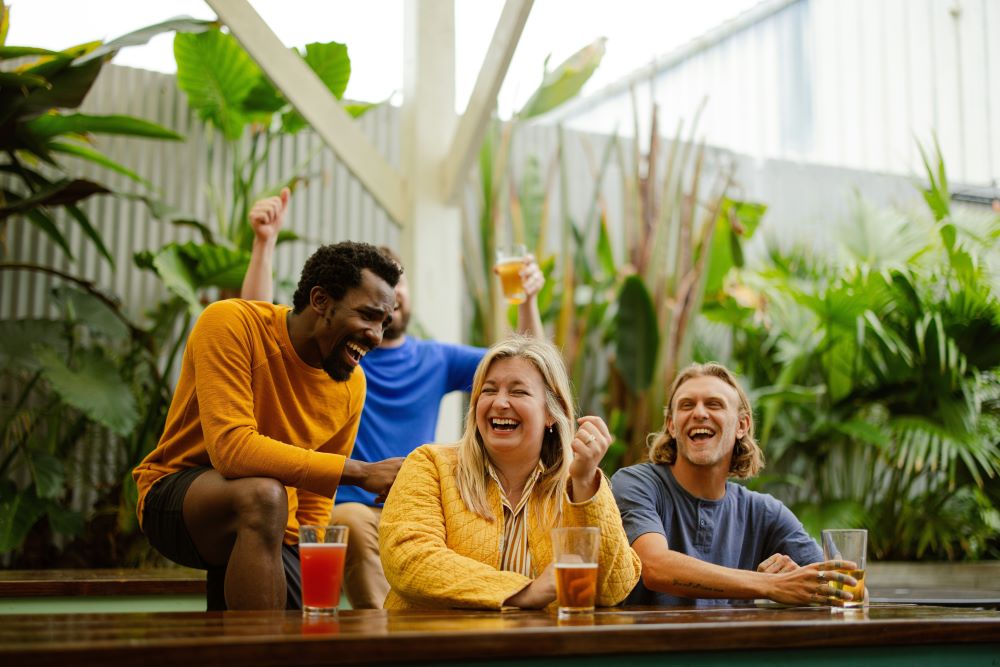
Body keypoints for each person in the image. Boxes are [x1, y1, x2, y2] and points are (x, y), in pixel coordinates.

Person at [241, 188, 546, 608]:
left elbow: (524, 368)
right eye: (374, 301)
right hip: (347, 507)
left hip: (417, 507)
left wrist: (527, 301)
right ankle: (388, 638)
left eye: (399, 284)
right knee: (351, 523)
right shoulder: (334, 357)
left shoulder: (435, 357)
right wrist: (264, 243)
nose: (393, 296)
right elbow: (259, 327)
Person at [133, 240, 405, 611]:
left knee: (307, 624)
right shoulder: (231, 323)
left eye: (384, 322)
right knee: (262, 494)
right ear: (321, 300)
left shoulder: (352, 383)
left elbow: (314, 498)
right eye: (368, 316)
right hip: (177, 499)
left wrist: (309, 574)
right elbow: (231, 449)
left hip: (271, 524)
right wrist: (360, 473)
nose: (376, 335)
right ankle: (263, 657)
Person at [377, 336, 641, 610]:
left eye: (518, 392)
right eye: (489, 391)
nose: (500, 403)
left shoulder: (578, 485)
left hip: (541, 648)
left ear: (552, 412)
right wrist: (524, 592)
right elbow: (409, 559)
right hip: (437, 647)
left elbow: (613, 589)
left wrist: (585, 481)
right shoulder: (429, 464)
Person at [611, 362, 860, 607]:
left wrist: (800, 580)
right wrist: (770, 585)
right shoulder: (637, 484)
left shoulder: (764, 512)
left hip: (733, 647)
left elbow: (850, 590)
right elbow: (655, 567)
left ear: (742, 425)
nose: (699, 413)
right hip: (650, 646)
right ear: (672, 426)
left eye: (714, 404)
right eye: (687, 405)